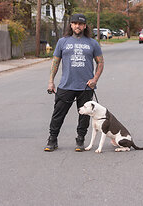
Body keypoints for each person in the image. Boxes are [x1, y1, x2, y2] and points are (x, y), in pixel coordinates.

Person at [44, 14, 104, 152]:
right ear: (71, 25)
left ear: (84, 26)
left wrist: (95, 79)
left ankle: (80, 139)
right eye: (75, 23)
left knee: (84, 116)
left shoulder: (92, 43)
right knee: (58, 114)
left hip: (86, 87)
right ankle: (52, 139)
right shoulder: (62, 42)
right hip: (66, 85)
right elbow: (55, 62)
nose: (77, 26)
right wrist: (50, 81)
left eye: (80, 24)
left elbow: (100, 62)